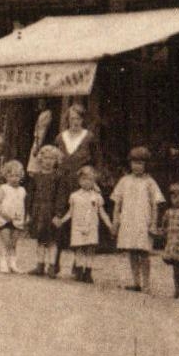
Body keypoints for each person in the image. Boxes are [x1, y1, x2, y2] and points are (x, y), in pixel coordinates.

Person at [53, 102, 100, 276]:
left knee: (80, 221)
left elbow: (96, 162)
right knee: (59, 218)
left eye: (78, 118)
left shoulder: (89, 137)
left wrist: (93, 181)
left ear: (83, 120)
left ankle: (78, 265)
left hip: (81, 185)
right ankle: (54, 262)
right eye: (72, 118)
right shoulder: (60, 138)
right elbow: (54, 161)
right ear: (68, 119)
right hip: (62, 184)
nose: (75, 121)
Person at [111, 146, 165, 293]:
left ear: (146, 165)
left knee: (144, 252)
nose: (136, 166)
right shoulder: (124, 181)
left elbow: (155, 205)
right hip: (128, 221)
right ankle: (136, 282)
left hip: (143, 222)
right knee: (132, 251)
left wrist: (153, 223)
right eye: (134, 163)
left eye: (140, 163)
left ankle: (146, 284)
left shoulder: (150, 182)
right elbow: (117, 203)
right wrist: (115, 221)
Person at [53, 164, 115, 282]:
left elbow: (102, 213)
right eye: (84, 179)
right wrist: (61, 221)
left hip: (91, 226)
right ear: (79, 181)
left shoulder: (97, 197)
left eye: (90, 179)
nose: (87, 182)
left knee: (90, 249)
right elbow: (70, 212)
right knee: (79, 248)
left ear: (94, 181)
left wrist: (109, 225)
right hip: (78, 227)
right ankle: (80, 270)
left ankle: (88, 272)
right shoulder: (74, 196)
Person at [26, 142, 64, 276]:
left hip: (51, 212)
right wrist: (28, 213)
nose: (48, 161)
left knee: (52, 240)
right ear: (40, 159)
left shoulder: (58, 177)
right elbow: (30, 196)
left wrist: (58, 214)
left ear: (56, 160)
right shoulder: (36, 177)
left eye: (52, 158)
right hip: (38, 210)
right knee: (40, 239)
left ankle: (52, 266)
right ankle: (40, 265)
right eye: (46, 158)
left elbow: (60, 196)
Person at [0, 160, 27, 274]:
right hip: (5, 219)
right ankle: (3, 263)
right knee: (6, 241)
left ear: (21, 176)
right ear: (6, 176)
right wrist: (3, 214)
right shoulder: (3, 188)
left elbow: (23, 205)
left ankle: (13, 264)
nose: (14, 178)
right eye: (11, 176)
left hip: (17, 219)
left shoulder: (22, 190)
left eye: (17, 176)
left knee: (13, 243)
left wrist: (25, 217)